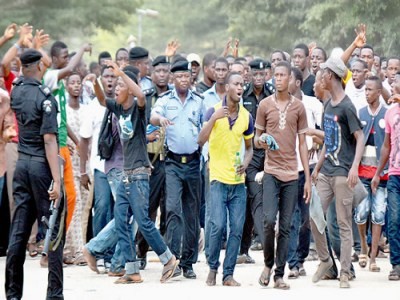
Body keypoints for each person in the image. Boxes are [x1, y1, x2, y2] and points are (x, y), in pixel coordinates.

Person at [94, 60, 179, 284]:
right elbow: (103, 99)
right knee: (121, 221)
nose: (117, 89)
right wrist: (94, 81)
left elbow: (140, 95)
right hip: (125, 174)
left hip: (139, 174)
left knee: (143, 221)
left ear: (129, 91)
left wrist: (121, 72)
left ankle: (168, 259)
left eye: (121, 87)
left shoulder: (137, 110)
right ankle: (131, 270)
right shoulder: (118, 109)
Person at [5, 49, 63, 300]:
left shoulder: (16, 91)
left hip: (21, 165)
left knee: (18, 231)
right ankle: (54, 294)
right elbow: (50, 141)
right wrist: (57, 181)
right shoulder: (45, 97)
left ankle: (13, 293)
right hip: (41, 166)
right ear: (39, 66)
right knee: (54, 228)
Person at [255, 61, 311, 290]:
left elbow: (303, 144)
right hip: (270, 171)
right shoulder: (264, 105)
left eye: (282, 75)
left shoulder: (298, 107)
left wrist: (307, 178)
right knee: (269, 221)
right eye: (275, 75)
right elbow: (256, 140)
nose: (278, 79)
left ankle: (279, 274)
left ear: (290, 79)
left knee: (286, 225)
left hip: (291, 174)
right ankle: (267, 264)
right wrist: (263, 140)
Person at [311, 56, 364, 288]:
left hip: (343, 172)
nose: (319, 79)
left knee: (343, 224)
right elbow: (329, 141)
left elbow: (359, 138)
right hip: (327, 171)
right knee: (314, 216)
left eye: (322, 75)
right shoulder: (328, 104)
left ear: (330, 76)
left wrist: (354, 167)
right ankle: (325, 260)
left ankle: (344, 272)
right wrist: (318, 168)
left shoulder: (347, 106)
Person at [151, 59, 205, 280]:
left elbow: (206, 126)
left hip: (193, 162)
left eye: (187, 76)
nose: (184, 79)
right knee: (172, 209)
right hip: (172, 163)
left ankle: (189, 262)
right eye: (180, 76)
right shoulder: (165, 100)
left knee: (192, 214)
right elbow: (153, 116)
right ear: (173, 79)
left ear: (192, 78)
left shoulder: (199, 102)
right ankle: (171, 259)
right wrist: (160, 119)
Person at [198, 71, 254, 286]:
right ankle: (213, 266)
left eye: (242, 84)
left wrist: (247, 164)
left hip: (238, 183)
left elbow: (249, 148)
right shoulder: (212, 111)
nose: (240, 87)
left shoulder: (246, 116)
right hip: (218, 180)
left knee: (237, 229)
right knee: (217, 226)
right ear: (228, 87)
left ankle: (228, 274)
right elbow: (200, 140)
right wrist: (213, 119)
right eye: (236, 84)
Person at [287, 66, 323, 279]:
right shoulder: (281, 104)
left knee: (306, 218)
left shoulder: (312, 104)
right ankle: (292, 262)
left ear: (298, 82)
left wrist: (316, 146)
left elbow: (325, 134)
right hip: (288, 167)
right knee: (290, 218)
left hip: (308, 167)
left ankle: (300, 259)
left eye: (288, 78)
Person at [238, 58, 274, 264]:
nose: (259, 78)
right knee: (254, 197)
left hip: (269, 153)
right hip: (250, 153)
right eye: (255, 74)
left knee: (257, 200)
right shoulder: (244, 94)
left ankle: (244, 249)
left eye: (262, 74)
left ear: (267, 74)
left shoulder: (272, 94)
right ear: (249, 74)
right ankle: (265, 246)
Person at [354, 76, 387, 272]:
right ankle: (363, 247)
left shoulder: (386, 114)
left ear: (378, 92)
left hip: (381, 175)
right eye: (365, 89)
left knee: (378, 215)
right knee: (361, 213)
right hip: (362, 174)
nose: (366, 93)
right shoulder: (360, 113)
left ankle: (373, 256)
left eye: (370, 90)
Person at [371, 90, 400, 281]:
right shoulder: (391, 112)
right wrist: (377, 172)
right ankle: (396, 264)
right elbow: (387, 146)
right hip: (395, 174)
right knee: (394, 219)